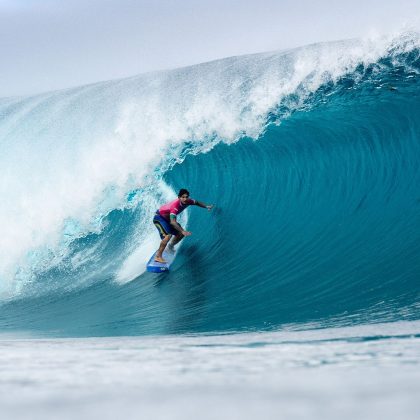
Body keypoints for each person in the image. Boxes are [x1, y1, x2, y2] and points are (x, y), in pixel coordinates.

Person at [153, 189, 213, 263]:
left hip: (168, 220)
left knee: (180, 234)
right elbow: (173, 222)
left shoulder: (188, 201)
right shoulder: (175, 206)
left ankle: (170, 247)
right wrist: (183, 230)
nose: (185, 199)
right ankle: (158, 256)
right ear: (179, 197)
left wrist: (206, 206)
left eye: (186, 197)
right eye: (183, 197)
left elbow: (196, 202)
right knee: (168, 236)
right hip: (159, 218)